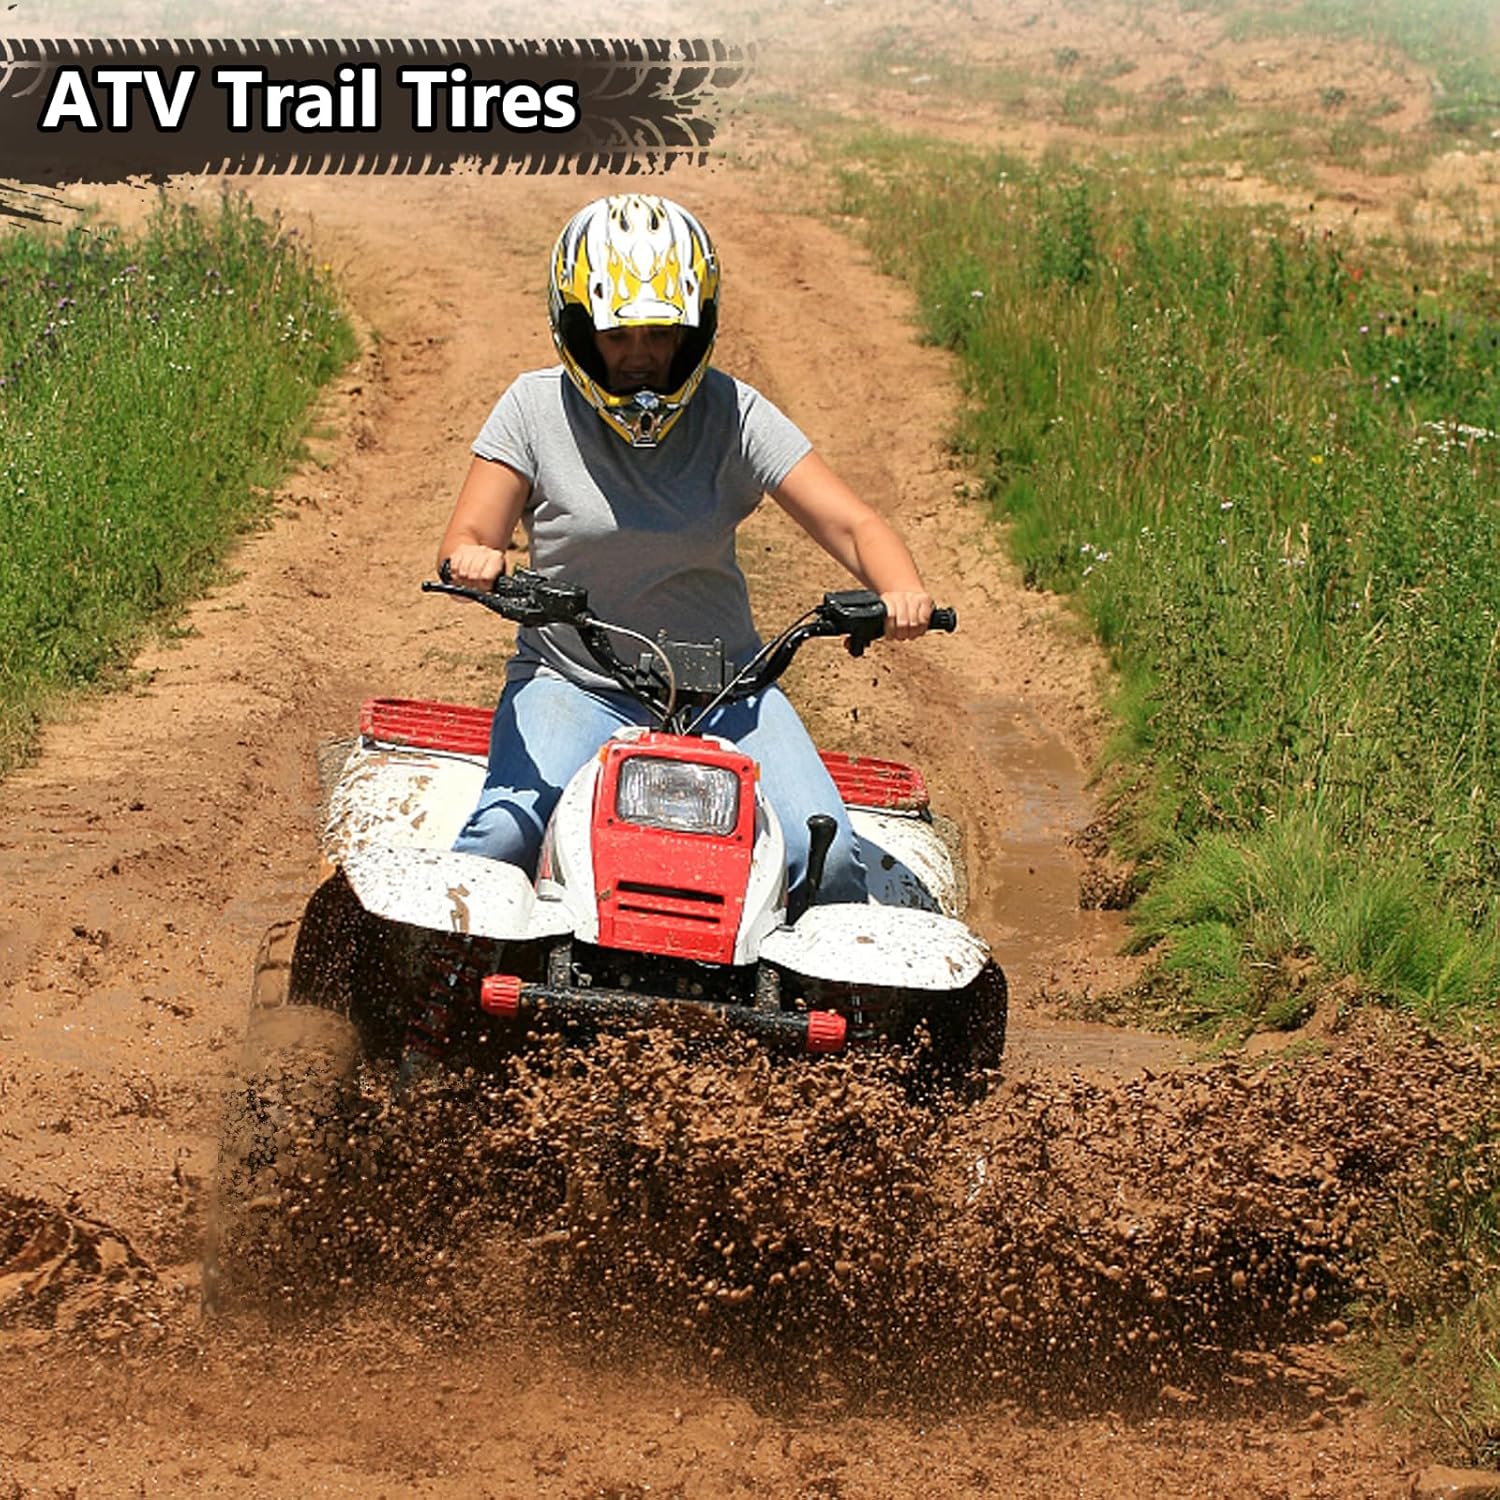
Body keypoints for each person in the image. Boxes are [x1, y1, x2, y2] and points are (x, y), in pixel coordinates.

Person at [437, 192, 935, 908]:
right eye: (617, 335)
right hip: (573, 684)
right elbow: (468, 538)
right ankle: (431, 975)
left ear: (695, 330)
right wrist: (477, 560)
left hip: (730, 694)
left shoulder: (733, 413)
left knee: (822, 858)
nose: (640, 356)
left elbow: (853, 523)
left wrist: (901, 589)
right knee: (504, 838)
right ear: (576, 328)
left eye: (661, 334)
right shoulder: (533, 408)